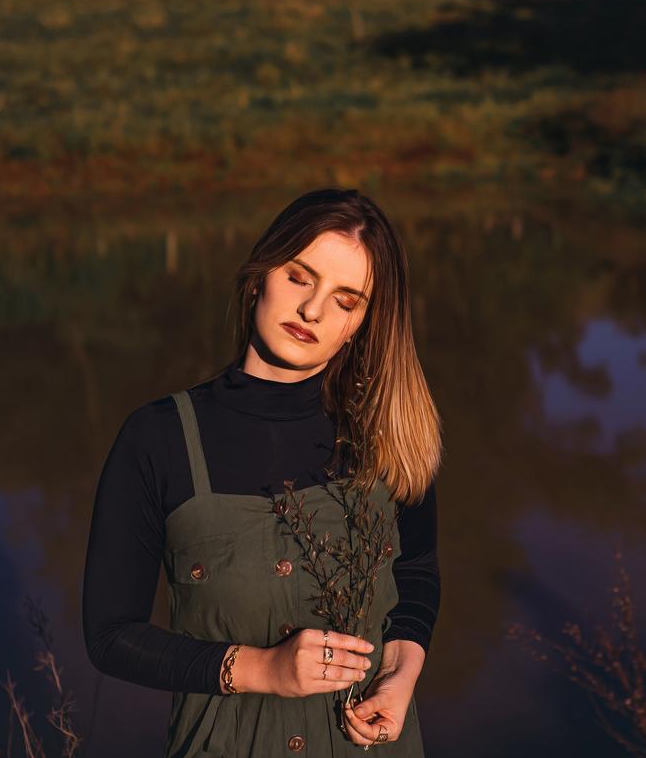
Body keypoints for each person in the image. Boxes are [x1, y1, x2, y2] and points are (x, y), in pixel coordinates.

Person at [83, 189, 442, 757]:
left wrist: (400, 677)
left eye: (346, 299)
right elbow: (110, 636)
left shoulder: (390, 435)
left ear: (361, 323)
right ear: (260, 273)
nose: (313, 310)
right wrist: (260, 669)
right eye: (300, 277)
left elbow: (416, 572)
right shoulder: (158, 437)